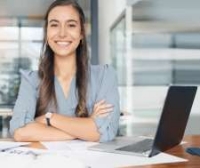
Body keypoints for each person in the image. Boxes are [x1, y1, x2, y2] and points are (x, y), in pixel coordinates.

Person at [9, 0, 120, 142]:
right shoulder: (31, 80)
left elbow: (106, 131)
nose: (62, 33)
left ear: (81, 33)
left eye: (71, 25)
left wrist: (49, 118)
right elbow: (20, 132)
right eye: (54, 25)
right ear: (47, 33)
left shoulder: (104, 76)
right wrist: (84, 129)